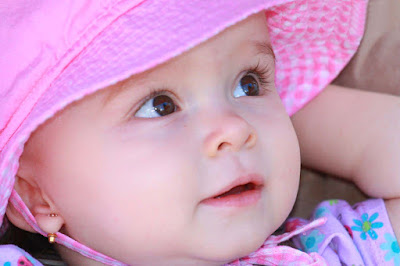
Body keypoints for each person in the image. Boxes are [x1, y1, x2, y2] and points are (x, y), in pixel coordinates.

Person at [0, 0, 399, 265]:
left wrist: (290, 110)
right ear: (37, 197)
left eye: (250, 82)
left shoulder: (328, 253)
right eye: (160, 106)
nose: (236, 129)